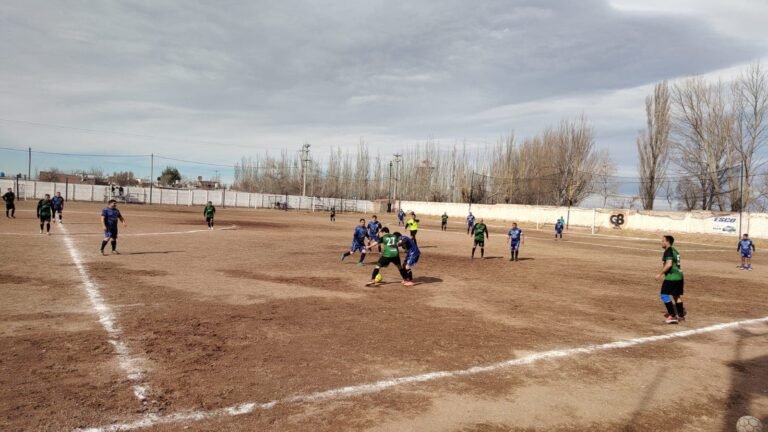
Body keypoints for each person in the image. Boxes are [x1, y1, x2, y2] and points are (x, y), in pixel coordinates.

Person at [655, 235, 686, 324]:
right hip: (679, 276)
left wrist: (660, 274)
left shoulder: (668, 251)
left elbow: (669, 264)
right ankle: (680, 315)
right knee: (676, 296)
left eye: (662, 241)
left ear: (667, 241)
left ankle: (672, 315)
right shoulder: (675, 250)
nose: (661, 242)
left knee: (664, 295)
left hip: (672, 277)